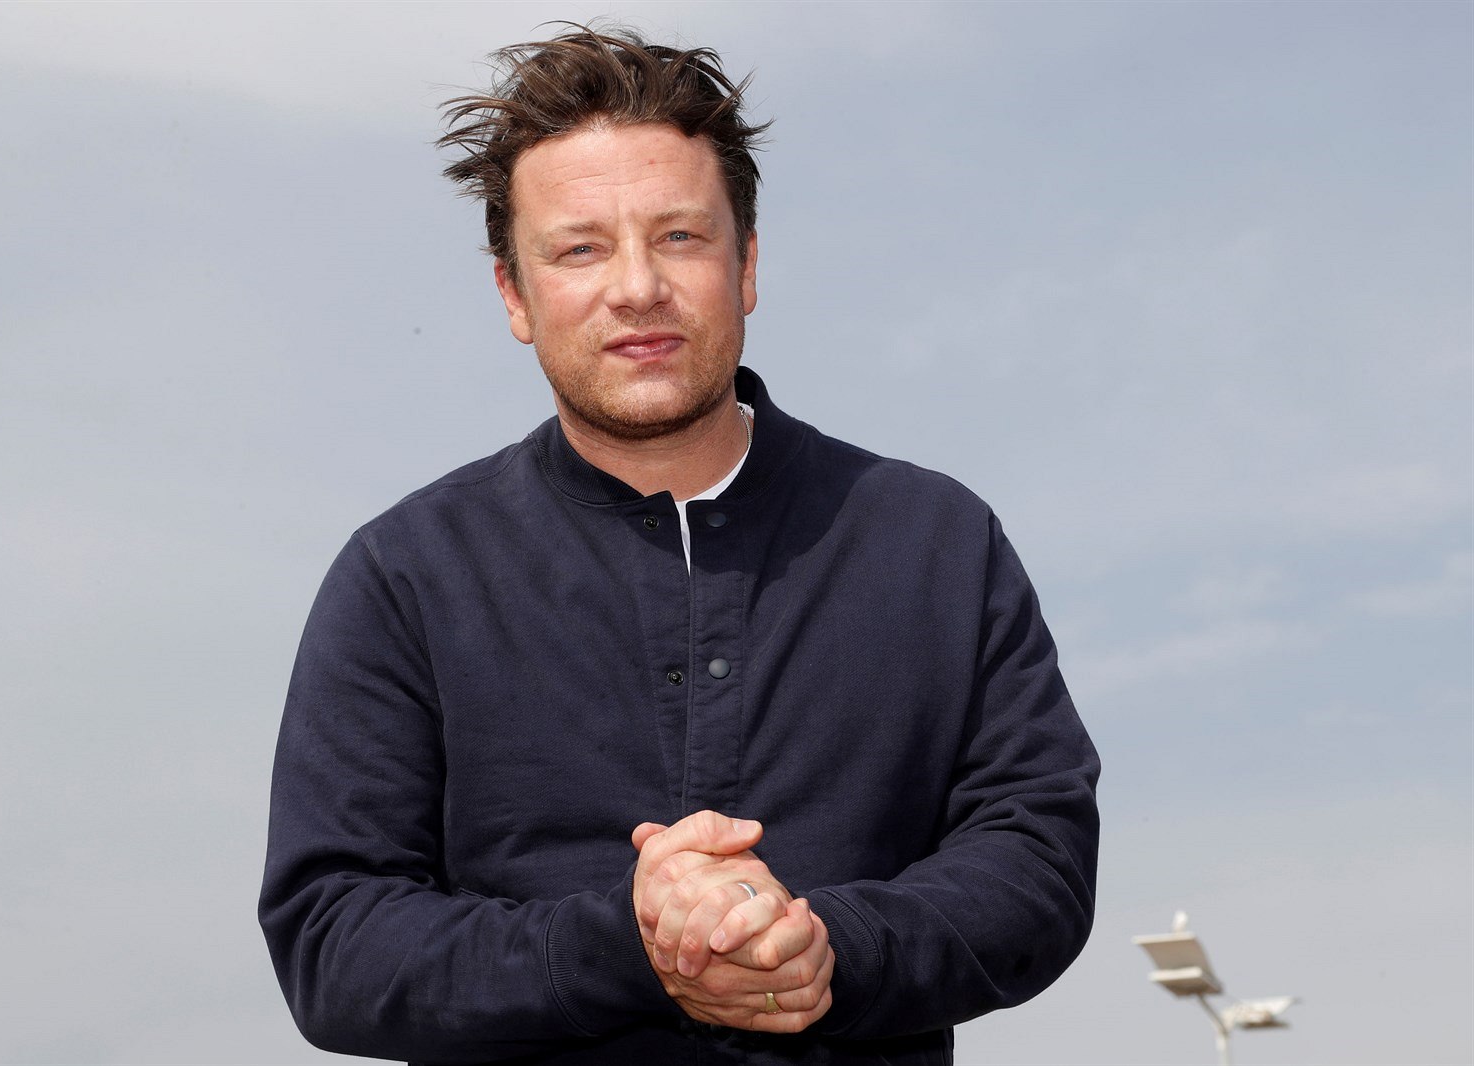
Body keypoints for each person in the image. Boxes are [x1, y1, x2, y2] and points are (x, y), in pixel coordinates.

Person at [259, 25, 1099, 1066]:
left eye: (680, 236)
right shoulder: (404, 577)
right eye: (579, 248)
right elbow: (334, 940)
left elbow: (1038, 857)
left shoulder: (935, 542)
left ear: (746, 265)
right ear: (514, 294)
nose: (637, 287)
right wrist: (625, 944)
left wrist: (831, 948)